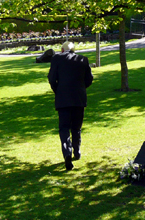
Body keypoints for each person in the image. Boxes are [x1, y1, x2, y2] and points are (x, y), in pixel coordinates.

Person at [48, 41, 93, 171]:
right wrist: (81, 88)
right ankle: (77, 151)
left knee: (64, 128)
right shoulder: (83, 59)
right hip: (78, 98)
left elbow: (51, 78)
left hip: (63, 99)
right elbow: (89, 79)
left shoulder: (56, 58)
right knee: (76, 127)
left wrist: (58, 90)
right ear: (74, 50)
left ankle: (67, 152)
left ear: (62, 50)